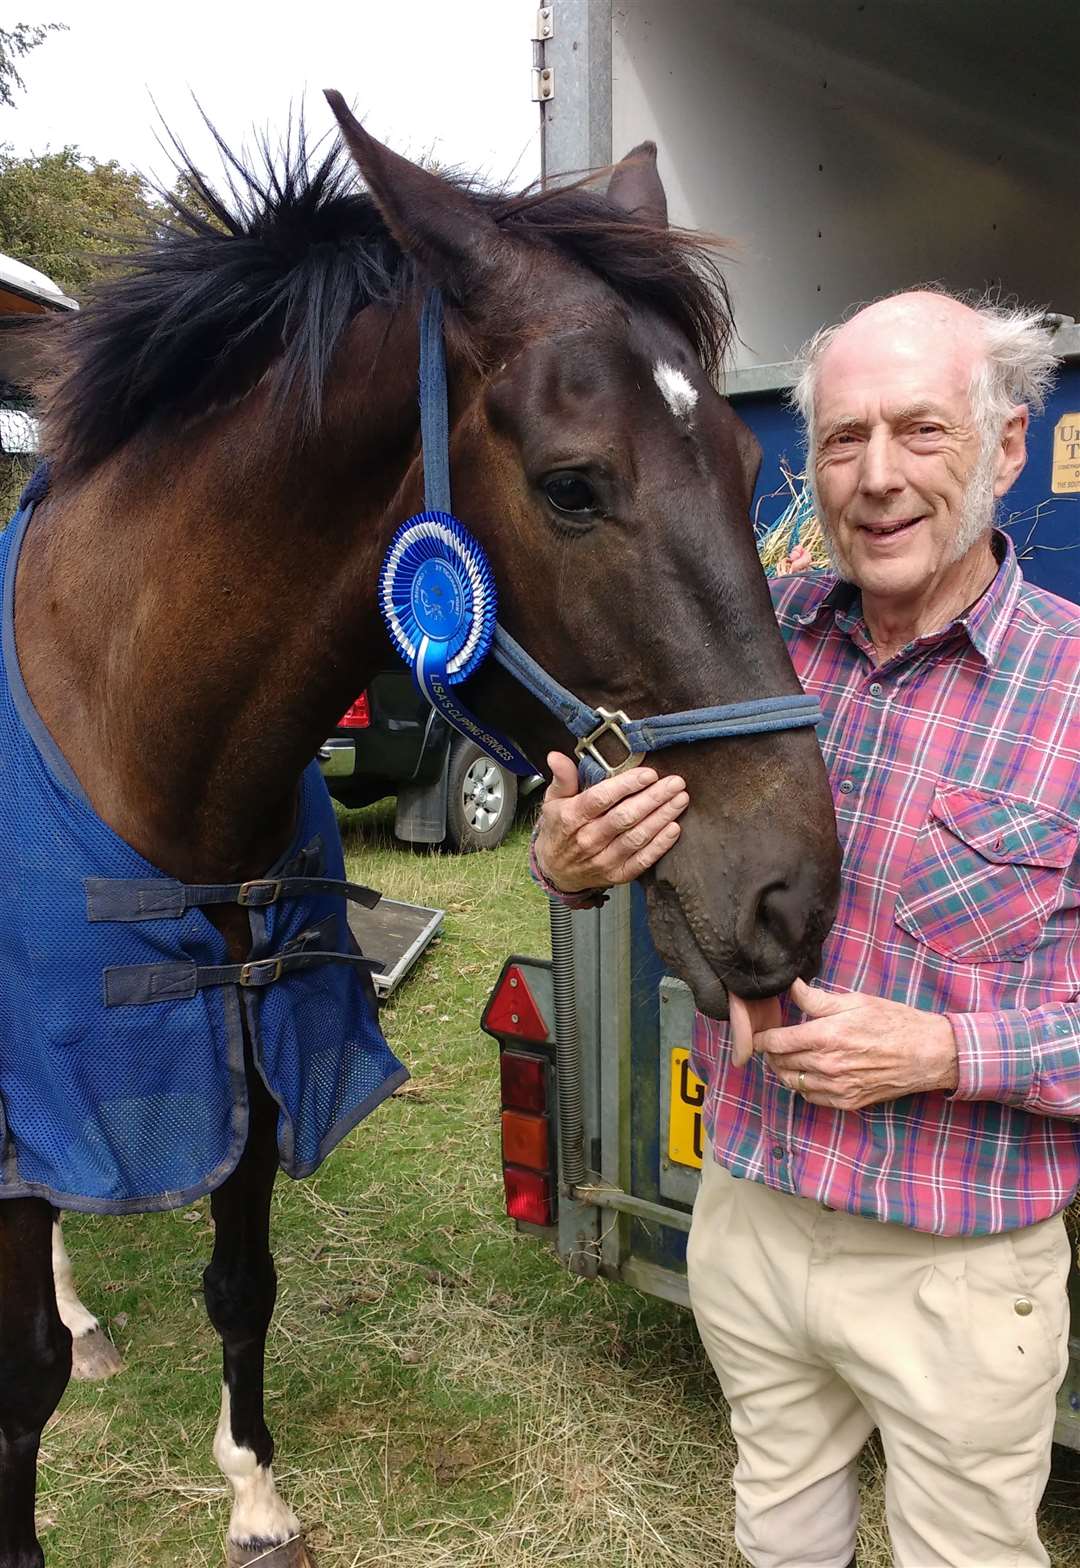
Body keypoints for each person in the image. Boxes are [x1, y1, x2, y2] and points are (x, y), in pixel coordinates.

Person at [531, 289, 1080, 1568]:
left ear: (1005, 448)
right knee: (779, 1523)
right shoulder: (746, 653)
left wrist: (944, 1053)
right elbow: (623, 843)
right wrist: (565, 863)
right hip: (752, 1211)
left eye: (922, 432)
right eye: (843, 440)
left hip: (957, 1257)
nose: (877, 478)